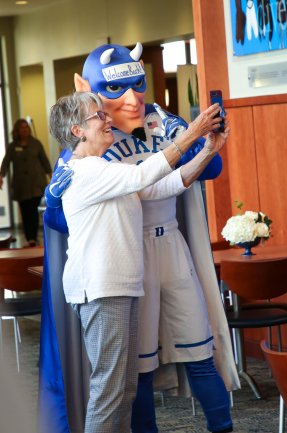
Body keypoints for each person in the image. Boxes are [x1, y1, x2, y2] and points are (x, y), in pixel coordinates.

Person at [40, 42, 240, 433]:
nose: (108, 117)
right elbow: (141, 176)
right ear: (77, 130)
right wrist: (192, 133)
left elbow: (160, 187)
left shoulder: (106, 160)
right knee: (113, 389)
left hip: (130, 276)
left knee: (125, 384)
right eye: (99, 113)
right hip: (104, 284)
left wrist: (206, 149)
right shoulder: (86, 170)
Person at [0, 118, 52, 246]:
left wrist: (52, 176)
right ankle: (29, 237)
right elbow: (6, 162)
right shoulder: (13, 146)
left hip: (36, 183)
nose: (25, 129)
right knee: (25, 211)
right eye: (22, 128)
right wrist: (1, 175)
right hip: (21, 185)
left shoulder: (36, 143)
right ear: (17, 130)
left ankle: (32, 239)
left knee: (34, 211)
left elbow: (44, 161)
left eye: (26, 127)